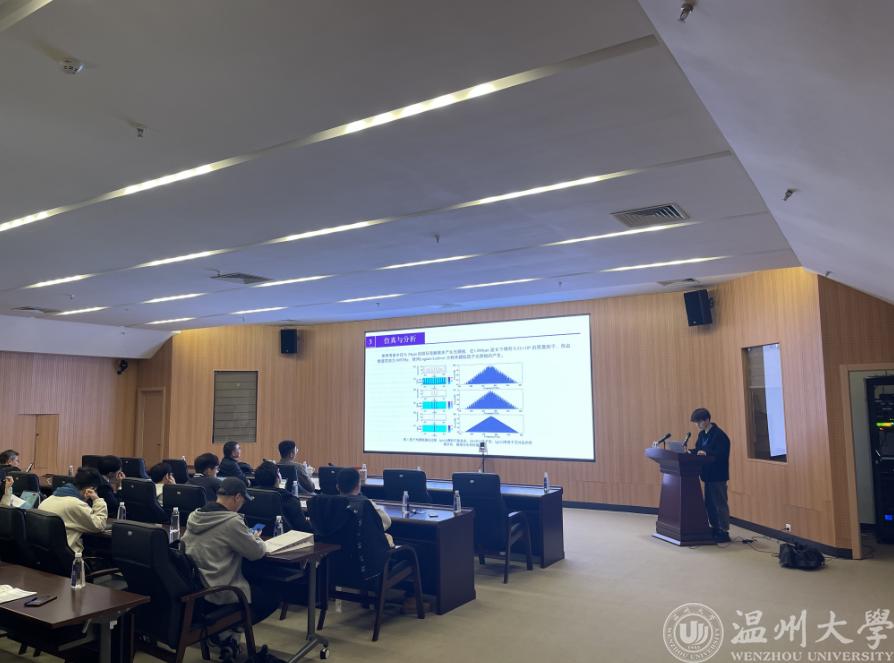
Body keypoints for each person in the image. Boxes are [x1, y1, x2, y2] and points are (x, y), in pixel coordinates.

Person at [181, 477, 281, 624]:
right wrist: (255, 538)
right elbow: (256, 553)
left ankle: (228, 631)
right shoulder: (231, 521)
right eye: (243, 501)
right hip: (221, 590)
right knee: (272, 597)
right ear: (237, 497)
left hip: (198, 586)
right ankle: (233, 627)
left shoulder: (195, 515)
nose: (242, 505)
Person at [38, 467, 108, 554]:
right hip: (68, 556)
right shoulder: (75, 504)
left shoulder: (48, 500)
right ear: (91, 489)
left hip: (45, 554)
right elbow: (99, 525)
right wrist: (97, 500)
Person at [690, 407, 731, 542]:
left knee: (719, 503)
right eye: (696, 423)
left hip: (718, 475)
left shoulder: (719, 435)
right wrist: (690, 452)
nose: (697, 425)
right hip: (707, 475)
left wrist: (707, 453)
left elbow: (722, 453)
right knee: (710, 504)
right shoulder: (702, 434)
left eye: (699, 422)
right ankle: (715, 528)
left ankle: (724, 531)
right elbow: (699, 449)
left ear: (707, 420)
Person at [337, 467, 393, 546]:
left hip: (337, 550)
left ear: (337, 487)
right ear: (358, 486)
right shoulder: (366, 503)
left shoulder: (330, 504)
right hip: (364, 549)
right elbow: (387, 522)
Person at [252, 461, 309, 532]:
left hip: (258, 534)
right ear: (278, 477)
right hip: (285, 536)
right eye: (278, 472)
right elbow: (302, 527)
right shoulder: (288, 498)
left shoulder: (251, 494)